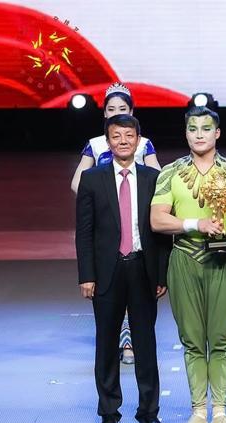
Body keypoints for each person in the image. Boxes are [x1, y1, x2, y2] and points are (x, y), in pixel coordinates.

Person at [150, 107, 226, 423]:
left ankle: (220, 411)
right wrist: (196, 223)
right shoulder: (170, 172)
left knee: (221, 339)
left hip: (223, 262)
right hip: (185, 260)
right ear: (186, 133)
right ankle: (198, 411)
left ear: (217, 133)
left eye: (206, 128)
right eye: (193, 128)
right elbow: (157, 219)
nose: (199, 134)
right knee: (193, 340)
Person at [75, 114, 170, 423]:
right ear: (108, 141)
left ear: (138, 140)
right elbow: (84, 232)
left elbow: (162, 233)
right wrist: (86, 275)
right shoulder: (92, 179)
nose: (123, 141)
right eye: (116, 136)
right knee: (106, 344)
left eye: (129, 135)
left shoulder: (153, 178)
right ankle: (109, 414)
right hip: (107, 270)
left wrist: (161, 274)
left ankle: (149, 413)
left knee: (146, 343)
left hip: (143, 268)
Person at [71, 82, 161, 366]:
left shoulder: (142, 143)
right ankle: (119, 346)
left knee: (139, 298)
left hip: (136, 225)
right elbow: (77, 182)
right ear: (104, 113)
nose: (116, 112)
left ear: (132, 111)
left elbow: (159, 180)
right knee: (111, 296)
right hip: (109, 226)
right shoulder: (96, 144)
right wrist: (101, 198)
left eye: (122, 108)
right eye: (111, 109)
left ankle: (131, 344)